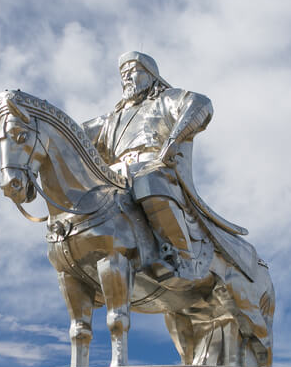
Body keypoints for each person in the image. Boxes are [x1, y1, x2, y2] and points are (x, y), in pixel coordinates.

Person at [82, 51, 246, 280]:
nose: (127, 78)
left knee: (147, 181)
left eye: (133, 71)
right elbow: (74, 134)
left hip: (153, 167)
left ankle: (182, 256)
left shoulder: (165, 100)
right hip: (116, 176)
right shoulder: (111, 119)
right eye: (123, 74)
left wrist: (173, 141)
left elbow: (200, 103)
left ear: (150, 75)